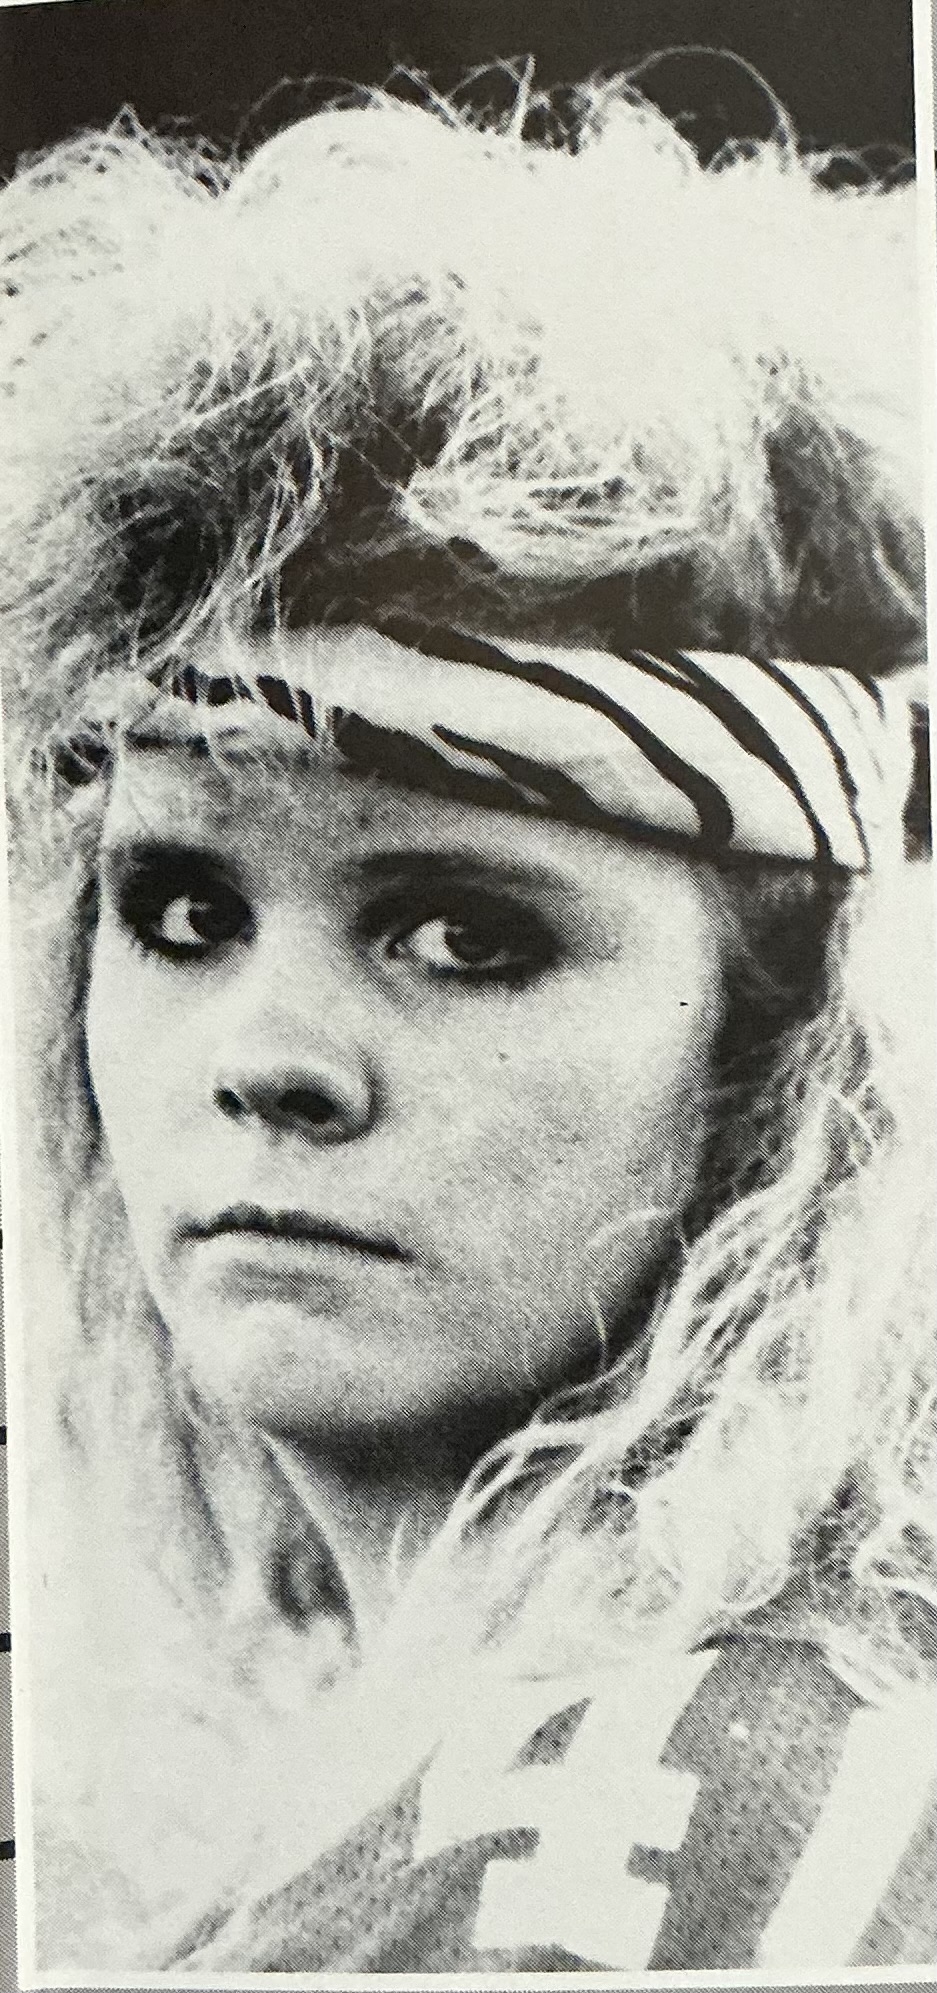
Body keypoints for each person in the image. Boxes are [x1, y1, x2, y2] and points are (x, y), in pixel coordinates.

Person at [0, 59, 933, 1976]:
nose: (264, 1056)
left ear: (772, 1056)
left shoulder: (679, 1838)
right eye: (182, 910)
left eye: (459, 933)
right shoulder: (378, 1777)